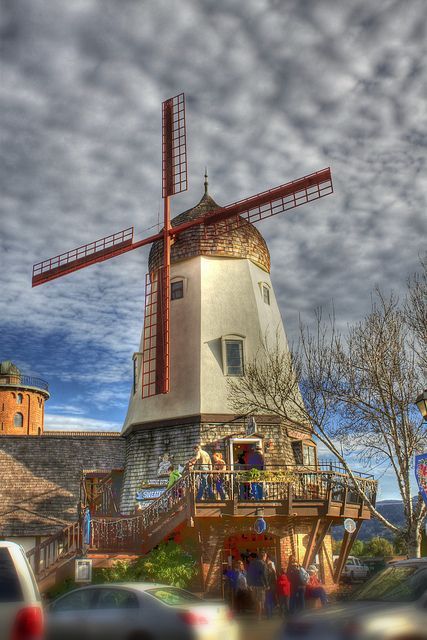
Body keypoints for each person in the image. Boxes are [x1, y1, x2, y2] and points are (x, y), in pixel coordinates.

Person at [247, 552, 269, 620]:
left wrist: (249, 584)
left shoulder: (252, 563)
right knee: (260, 600)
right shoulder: (263, 564)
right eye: (266, 557)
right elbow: (264, 575)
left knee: (256, 600)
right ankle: (259, 616)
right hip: (260, 584)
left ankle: (257, 614)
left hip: (253, 585)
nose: (266, 558)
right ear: (264, 556)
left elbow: (249, 574)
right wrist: (267, 584)